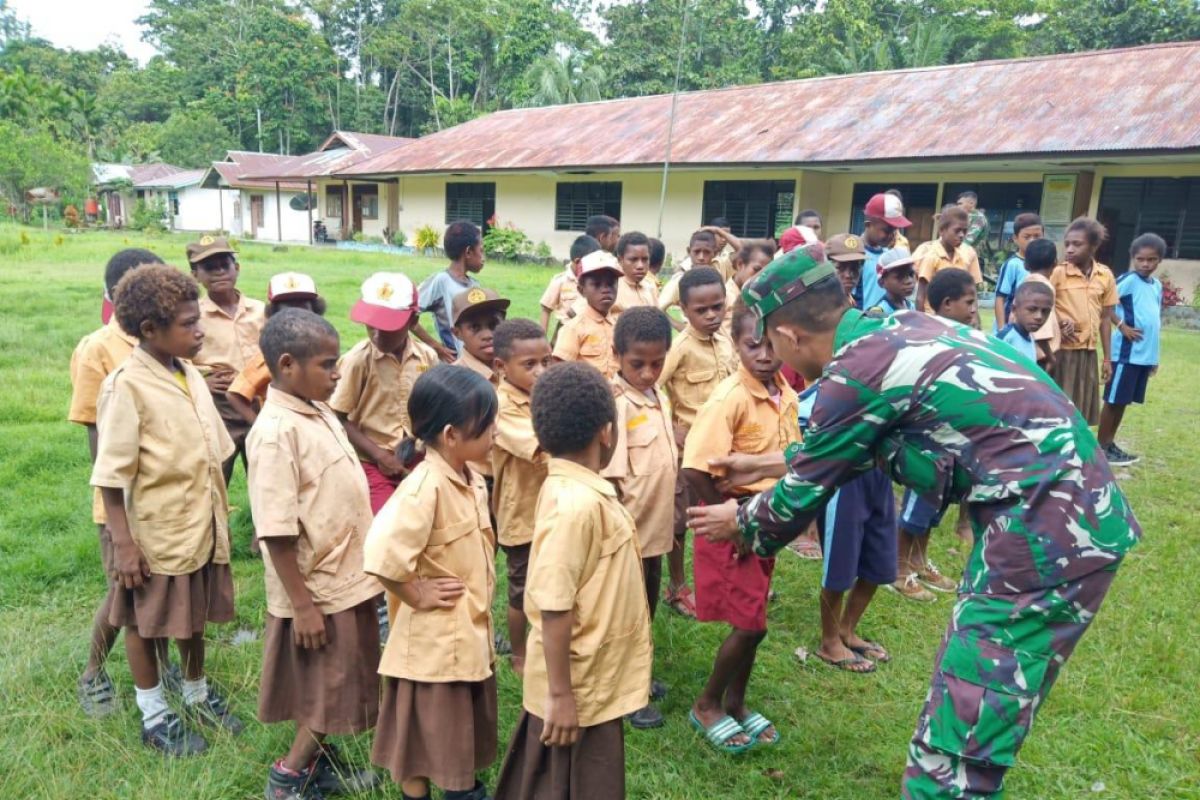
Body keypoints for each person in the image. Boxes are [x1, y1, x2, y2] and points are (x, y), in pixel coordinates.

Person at [687, 245, 1140, 798]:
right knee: (974, 698)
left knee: (962, 728)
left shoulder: (854, 374)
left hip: (1045, 532)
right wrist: (758, 464)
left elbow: (796, 499)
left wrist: (739, 518)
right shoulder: (896, 330)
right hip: (1067, 512)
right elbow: (852, 447)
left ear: (787, 337)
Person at [92, 264, 242, 756]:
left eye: (199, 319)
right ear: (150, 330)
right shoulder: (126, 385)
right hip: (156, 533)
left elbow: (215, 447)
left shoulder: (188, 373)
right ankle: (154, 715)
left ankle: (196, 692)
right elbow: (112, 477)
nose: (199, 330)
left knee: (193, 617)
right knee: (143, 622)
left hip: (199, 524)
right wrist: (124, 544)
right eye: (188, 324)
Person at [493, 362, 651, 800]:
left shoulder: (577, 491)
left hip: (591, 678)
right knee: (566, 779)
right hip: (576, 688)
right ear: (606, 432)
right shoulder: (575, 506)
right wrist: (561, 696)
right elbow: (554, 605)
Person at [248, 309, 382, 800]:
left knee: (336, 678)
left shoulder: (319, 409)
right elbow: (276, 533)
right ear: (288, 365)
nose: (337, 373)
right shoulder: (275, 433)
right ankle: (289, 776)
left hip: (347, 573)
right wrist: (303, 606)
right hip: (318, 588)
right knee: (334, 685)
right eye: (328, 365)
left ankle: (320, 765)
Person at [364, 365, 499, 800]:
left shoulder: (471, 478)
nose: (495, 433)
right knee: (430, 740)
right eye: (487, 426)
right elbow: (382, 555)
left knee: (448, 735)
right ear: (451, 435)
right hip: (435, 646)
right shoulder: (423, 488)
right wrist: (414, 592)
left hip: (465, 633)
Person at [682, 303, 796, 751]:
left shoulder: (784, 392)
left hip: (764, 521)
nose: (765, 354)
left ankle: (737, 701)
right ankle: (707, 703)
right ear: (736, 344)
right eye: (754, 345)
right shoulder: (728, 399)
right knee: (750, 625)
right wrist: (728, 522)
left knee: (756, 617)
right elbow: (694, 469)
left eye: (773, 345)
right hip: (732, 521)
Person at [69, 248, 177, 717]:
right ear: (115, 296)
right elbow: (98, 433)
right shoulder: (98, 348)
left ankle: (163, 665)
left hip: (167, 495)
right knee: (124, 592)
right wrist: (120, 516)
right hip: (124, 500)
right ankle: (93, 672)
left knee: (164, 589)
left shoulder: (166, 339)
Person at [600, 307, 676, 730]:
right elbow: (611, 479)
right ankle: (627, 692)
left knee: (646, 606)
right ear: (616, 357)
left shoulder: (656, 395)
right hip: (630, 531)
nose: (649, 373)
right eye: (638, 364)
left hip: (655, 529)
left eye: (657, 362)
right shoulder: (618, 405)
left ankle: (640, 672)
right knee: (627, 613)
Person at [658, 267, 734, 617]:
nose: (710, 315)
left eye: (717, 307)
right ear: (684, 311)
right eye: (701, 310)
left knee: (720, 510)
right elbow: (651, 385)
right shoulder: (680, 348)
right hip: (687, 451)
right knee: (681, 519)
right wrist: (669, 426)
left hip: (724, 447)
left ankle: (722, 578)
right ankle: (677, 585)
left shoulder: (726, 342)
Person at [329, 272, 438, 514]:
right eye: (371, 326)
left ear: (412, 321)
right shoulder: (358, 361)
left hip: (418, 455)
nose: (377, 335)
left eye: (388, 328)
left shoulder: (427, 357)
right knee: (384, 520)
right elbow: (338, 416)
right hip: (373, 461)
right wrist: (380, 455)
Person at [491, 319, 553, 677]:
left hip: (553, 508)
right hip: (521, 514)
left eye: (546, 361)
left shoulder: (542, 395)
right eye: (530, 365)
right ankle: (518, 653)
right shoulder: (501, 406)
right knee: (521, 588)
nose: (541, 371)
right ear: (501, 367)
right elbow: (541, 445)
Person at [186, 235, 266, 485]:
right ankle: (216, 523)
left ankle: (263, 524)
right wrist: (202, 382)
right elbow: (179, 360)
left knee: (267, 475)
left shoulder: (260, 311)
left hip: (259, 403)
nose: (219, 272)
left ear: (237, 268)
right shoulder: (193, 316)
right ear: (195, 275)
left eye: (225, 264)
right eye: (209, 267)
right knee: (216, 477)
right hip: (218, 407)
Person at [1098, 232, 1165, 466]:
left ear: (1159, 261)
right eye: (1140, 259)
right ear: (1132, 258)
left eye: (1151, 260)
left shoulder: (1156, 285)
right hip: (1125, 354)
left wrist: (1154, 358)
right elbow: (1104, 304)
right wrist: (1121, 325)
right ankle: (1100, 447)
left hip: (1143, 357)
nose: (1145, 264)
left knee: (1123, 401)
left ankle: (1110, 442)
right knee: (1113, 400)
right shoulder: (1127, 280)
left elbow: (1155, 321)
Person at [227, 272, 327, 426]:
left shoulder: (324, 348)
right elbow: (235, 394)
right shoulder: (271, 356)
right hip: (282, 431)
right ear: (274, 315)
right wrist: (260, 427)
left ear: (315, 311)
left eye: (303, 308)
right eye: (287, 310)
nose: (296, 316)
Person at [1050, 217, 1118, 427]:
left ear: (1094, 246)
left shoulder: (1105, 275)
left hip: (1088, 352)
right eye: (1067, 244)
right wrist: (1060, 320)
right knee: (1059, 407)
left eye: (1077, 244)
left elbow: (1106, 319)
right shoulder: (1058, 273)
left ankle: (1077, 452)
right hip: (1062, 351)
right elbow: (1043, 306)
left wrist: (1107, 358)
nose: (1070, 249)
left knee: (1082, 410)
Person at [452, 286, 510, 489]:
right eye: (475, 328)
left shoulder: (516, 368)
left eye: (494, 325)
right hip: (477, 480)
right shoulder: (455, 380)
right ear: (457, 333)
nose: (487, 335)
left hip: (515, 475)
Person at [417, 220, 485, 361]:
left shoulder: (475, 285)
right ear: (468, 252)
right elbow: (408, 315)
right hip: (454, 365)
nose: (483, 258)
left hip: (476, 363)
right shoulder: (441, 281)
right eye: (481, 251)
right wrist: (436, 347)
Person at [552, 250, 621, 379]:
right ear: (581, 290)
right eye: (596, 284)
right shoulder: (574, 328)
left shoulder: (619, 327)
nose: (605, 290)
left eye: (611, 284)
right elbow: (559, 373)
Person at [915, 205, 982, 314]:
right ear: (942, 230)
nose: (961, 235)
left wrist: (974, 318)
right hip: (934, 319)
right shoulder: (931, 257)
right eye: (957, 231)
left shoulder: (966, 255)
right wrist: (923, 325)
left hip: (957, 319)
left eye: (964, 231)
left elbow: (972, 292)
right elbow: (920, 297)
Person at [859, 193, 912, 312]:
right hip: (865, 325)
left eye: (895, 230)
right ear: (868, 225)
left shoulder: (888, 256)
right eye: (887, 230)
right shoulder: (854, 257)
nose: (892, 235)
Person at [658, 229, 722, 327]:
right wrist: (680, 327)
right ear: (689, 251)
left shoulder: (720, 269)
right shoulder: (681, 281)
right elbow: (658, 309)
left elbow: (745, 251)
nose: (701, 257)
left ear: (715, 253)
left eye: (707, 252)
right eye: (697, 252)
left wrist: (718, 231)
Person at [539, 235, 599, 339]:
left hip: (590, 333)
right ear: (577, 262)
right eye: (592, 263)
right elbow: (546, 310)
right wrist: (542, 340)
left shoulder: (598, 282)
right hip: (564, 333)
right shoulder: (560, 281)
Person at [992, 213, 1044, 330]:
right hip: (1011, 327)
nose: (1032, 241)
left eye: (1037, 236)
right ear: (1015, 238)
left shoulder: (1045, 265)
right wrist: (1002, 329)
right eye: (1027, 237)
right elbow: (1000, 298)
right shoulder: (1013, 264)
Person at [1021, 239, 1063, 370]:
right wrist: (1051, 358)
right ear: (1055, 262)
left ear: (1026, 265)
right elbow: (1040, 331)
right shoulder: (1044, 289)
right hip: (1040, 357)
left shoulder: (1025, 283)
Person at [722, 240, 776, 335]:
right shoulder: (723, 297)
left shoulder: (762, 298)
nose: (760, 277)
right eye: (756, 270)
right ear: (740, 264)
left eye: (766, 273)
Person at [996, 282, 1054, 363]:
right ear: (1014, 309)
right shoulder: (1006, 338)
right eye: (1032, 309)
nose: (1039, 317)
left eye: (1045, 311)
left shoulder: (1030, 337)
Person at [613, 231, 659, 314]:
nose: (640, 266)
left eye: (645, 259)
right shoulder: (612, 289)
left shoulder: (651, 287)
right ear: (620, 260)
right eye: (633, 259)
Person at [868, 247, 917, 315]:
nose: (909, 281)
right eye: (900, 277)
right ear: (882, 282)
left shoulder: (911, 306)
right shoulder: (878, 312)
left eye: (911, 274)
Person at [957, 190, 991, 270]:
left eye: (960, 204)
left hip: (974, 259)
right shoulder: (966, 217)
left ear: (971, 204)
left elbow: (967, 241)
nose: (958, 206)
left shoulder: (979, 218)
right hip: (964, 256)